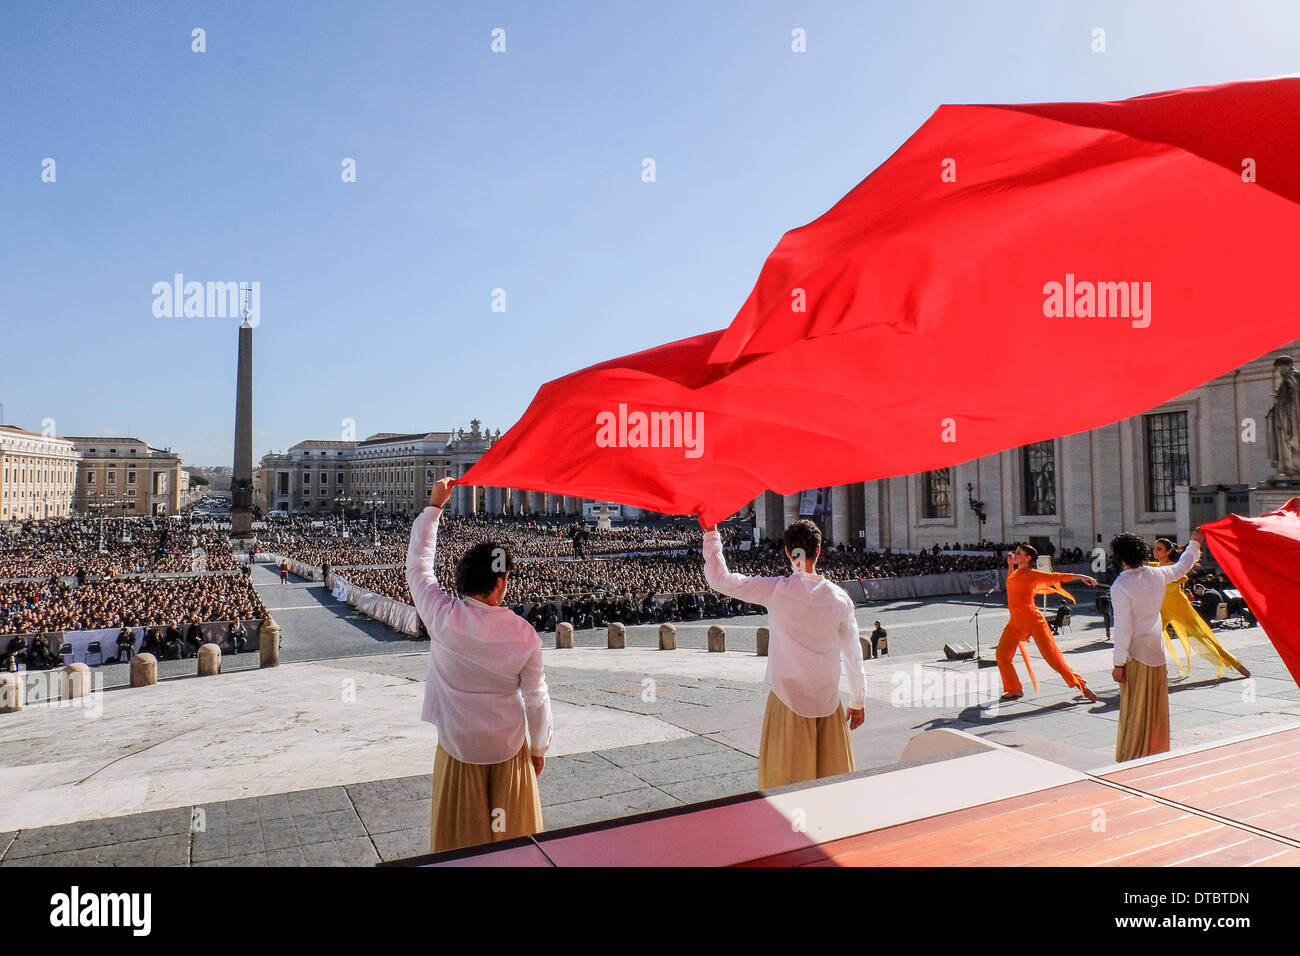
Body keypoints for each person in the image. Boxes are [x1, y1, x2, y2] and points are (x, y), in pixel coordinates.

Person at [407, 477, 552, 854]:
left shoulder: (441, 615)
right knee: (515, 844)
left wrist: (435, 506)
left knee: (462, 847)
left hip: (458, 748)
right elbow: (536, 700)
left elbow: (418, 567)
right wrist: (538, 748)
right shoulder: (524, 635)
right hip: (508, 749)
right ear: (501, 584)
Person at [701, 516, 865, 789]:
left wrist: (711, 534)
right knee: (832, 787)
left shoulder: (776, 590)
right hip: (827, 701)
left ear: (788, 552)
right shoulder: (840, 598)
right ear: (819, 550)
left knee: (786, 787)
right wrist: (858, 701)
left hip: (787, 701)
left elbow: (721, 580)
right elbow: (853, 654)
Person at [1111, 528, 1206, 761]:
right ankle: (1156, 748)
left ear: (1120, 557)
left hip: (1135, 653)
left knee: (1135, 707)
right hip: (1156, 650)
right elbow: (1183, 567)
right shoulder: (1157, 575)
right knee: (1155, 706)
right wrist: (1194, 542)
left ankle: (1132, 752)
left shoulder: (1120, 586)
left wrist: (1118, 662)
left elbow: (1123, 628)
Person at [996, 543, 1100, 702]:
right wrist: (1010, 566)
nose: (1014, 555)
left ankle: (1082, 686)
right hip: (1015, 621)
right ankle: (1014, 689)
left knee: (1053, 659)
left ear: (1027, 558)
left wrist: (1081, 576)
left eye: (1018, 553)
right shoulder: (1015, 573)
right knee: (1002, 655)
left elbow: (1057, 576)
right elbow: (1011, 585)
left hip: (1032, 619)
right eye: (1015, 553)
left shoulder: (1032, 574)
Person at [1152, 537, 1250, 679]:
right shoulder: (1154, 567)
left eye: (1159, 549)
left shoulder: (1175, 568)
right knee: (1152, 638)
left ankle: (1235, 663)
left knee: (1202, 636)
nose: (1155, 552)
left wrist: (1195, 544)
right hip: (1162, 609)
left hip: (1180, 608)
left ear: (1168, 552)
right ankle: (1158, 670)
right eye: (1154, 549)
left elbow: (1184, 566)